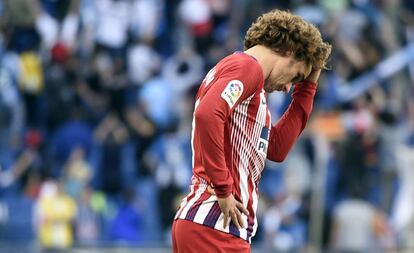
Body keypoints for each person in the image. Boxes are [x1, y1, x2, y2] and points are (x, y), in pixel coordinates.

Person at [172, 9, 331, 253]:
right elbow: (207, 114)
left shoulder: (253, 88)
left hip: (216, 226)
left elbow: (277, 149)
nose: (289, 87)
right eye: (296, 76)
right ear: (289, 51)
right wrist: (224, 189)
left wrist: (307, 88)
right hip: (215, 225)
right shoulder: (247, 68)